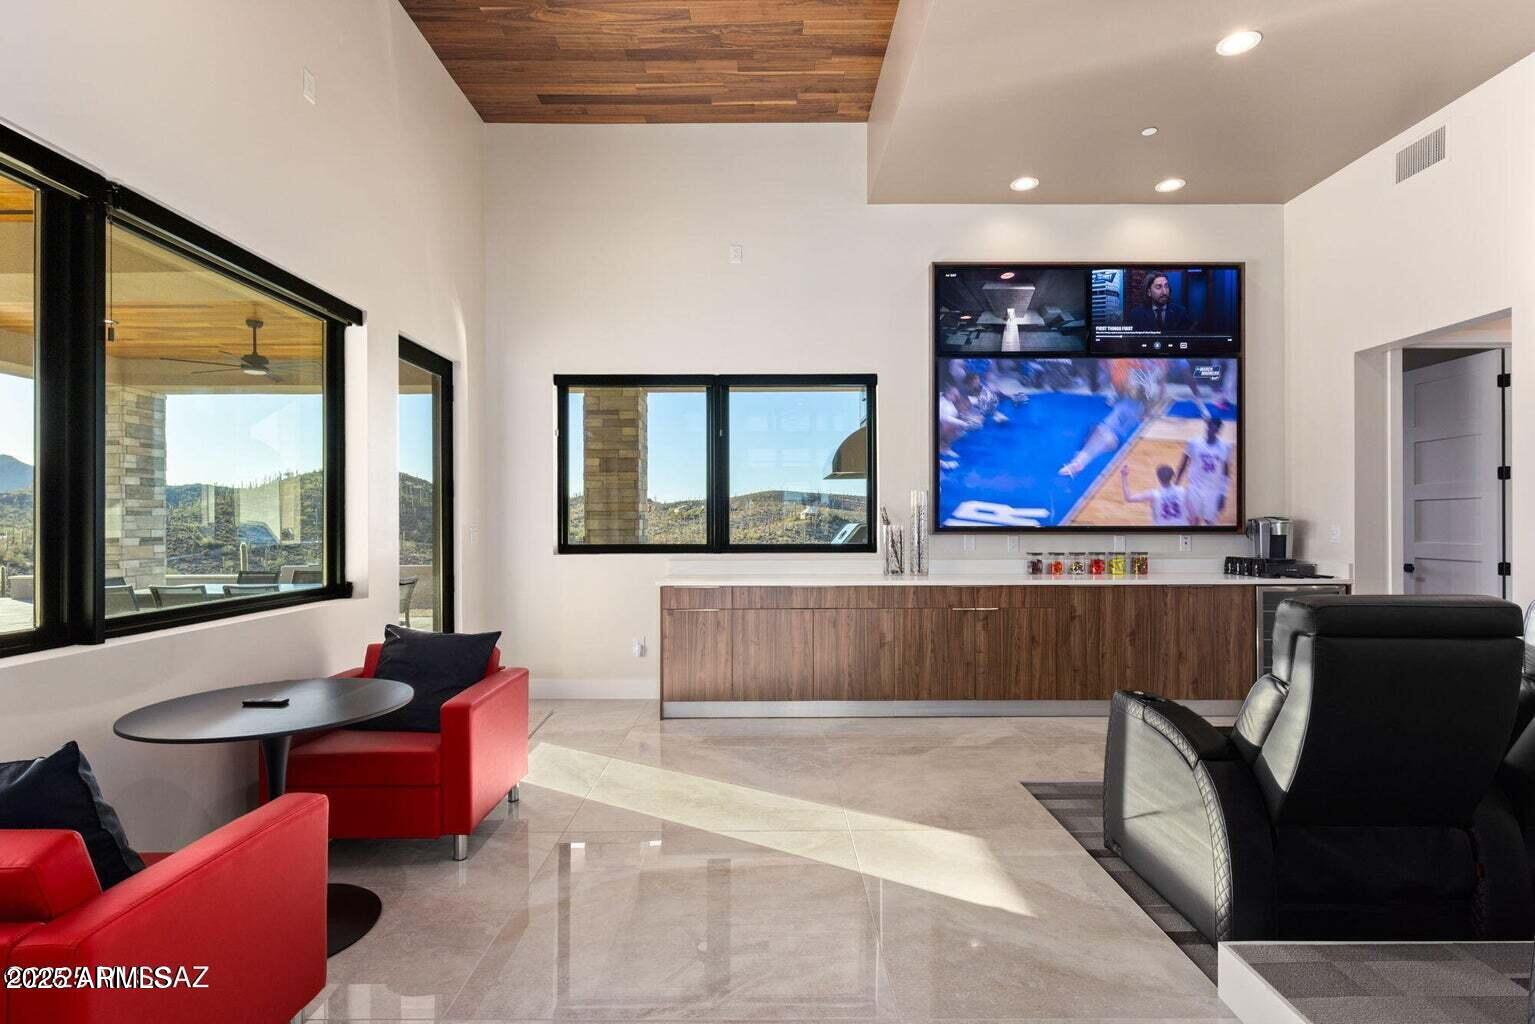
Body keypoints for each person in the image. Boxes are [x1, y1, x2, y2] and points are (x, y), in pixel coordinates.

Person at [1059, 384, 1149, 476]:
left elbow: (1112, 402)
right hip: (1117, 440)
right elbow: (1141, 418)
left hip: (1106, 430)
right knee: (1095, 450)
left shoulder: (1123, 403)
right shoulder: (1140, 409)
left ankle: (1077, 463)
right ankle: (1078, 464)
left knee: (1090, 446)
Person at [1176, 417, 1233, 525]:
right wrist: (1176, 484)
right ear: (1207, 427)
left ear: (1218, 431)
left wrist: (1223, 494)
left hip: (1213, 491)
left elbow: (1226, 473)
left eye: (1214, 428)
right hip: (1194, 488)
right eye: (1209, 427)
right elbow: (1183, 464)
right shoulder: (1193, 443)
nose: (1211, 430)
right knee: (1192, 521)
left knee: (1210, 522)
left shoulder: (1226, 447)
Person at [1121, 464, 1189, 526]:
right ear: (1173, 476)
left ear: (1158, 478)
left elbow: (1129, 498)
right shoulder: (1182, 490)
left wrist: (1124, 476)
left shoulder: (1154, 494)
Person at [1127, 271, 1194, 332]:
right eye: (1158, 287)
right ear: (1149, 292)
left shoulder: (1180, 312)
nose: (1164, 292)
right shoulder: (1136, 314)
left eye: (1166, 286)